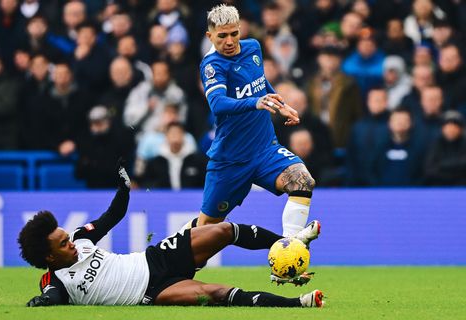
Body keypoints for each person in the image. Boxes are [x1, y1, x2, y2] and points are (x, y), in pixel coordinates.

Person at [18, 161, 324, 307]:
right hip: (152, 293)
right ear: (49, 257)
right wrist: (39, 302)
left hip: (155, 258)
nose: (71, 244)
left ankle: (290, 245)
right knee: (217, 294)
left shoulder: (81, 239)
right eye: (62, 244)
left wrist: (123, 188)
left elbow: (112, 216)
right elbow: (51, 296)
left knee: (223, 230)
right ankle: (300, 303)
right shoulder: (55, 281)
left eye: (67, 237)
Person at [195, 4, 316, 238]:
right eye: (222, 36)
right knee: (205, 232)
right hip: (231, 160)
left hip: (265, 149)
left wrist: (280, 105)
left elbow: (260, 84)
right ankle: (172, 268)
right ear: (210, 36)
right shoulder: (212, 66)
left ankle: (290, 248)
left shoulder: (253, 48)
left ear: (240, 30)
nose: (229, 41)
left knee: (302, 181)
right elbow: (218, 104)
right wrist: (256, 102)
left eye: (234, 33)